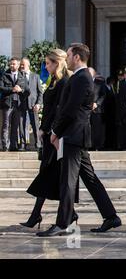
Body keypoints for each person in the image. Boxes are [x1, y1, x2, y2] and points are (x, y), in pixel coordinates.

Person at [37, 43, 121, 237]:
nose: (66, 59)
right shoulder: (80, 77)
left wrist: (55, 132)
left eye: (68, 55)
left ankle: (63, 223)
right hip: (76, 135)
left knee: (67, 181)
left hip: (73, 135)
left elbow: (70, 109)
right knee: (90, 179)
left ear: (76, 57)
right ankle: (111, 216)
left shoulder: (82, 78)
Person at [20, 49, 79, 229]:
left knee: (50, 174)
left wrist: (49, 130)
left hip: (56, 136)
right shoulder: (54, 80)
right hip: (49, 135)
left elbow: (60, 110)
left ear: (56, 63)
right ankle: (38, 214)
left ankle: (41, 215)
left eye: (48, 63)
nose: (46, 66)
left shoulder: (64, 82)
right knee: (48, 174)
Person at [0, 57, 29, 151]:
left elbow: (27, 91)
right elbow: (1, 88)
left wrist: (21, 90)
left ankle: (13, 145)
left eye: (14, 64)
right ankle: (5, 146)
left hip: (18, 104)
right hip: (7, 104)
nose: (12, 65)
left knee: (15, 126)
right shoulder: (4, 75)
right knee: (6, 125)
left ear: (18, 65)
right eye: (11, 64)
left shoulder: (22, 76)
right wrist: (12, 89)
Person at [18, 58, 43, 151]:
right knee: (22, 125)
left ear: (28, 65)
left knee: (35, 125)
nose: (21, 66)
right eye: (20, 65)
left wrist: (38, 104)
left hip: (33, 105)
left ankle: (38, 144)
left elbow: (40, 92)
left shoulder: (35, 76)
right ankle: (23, 145)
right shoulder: (19, 76)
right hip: (22, 104)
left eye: (23, 64)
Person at [88, 67, 107, 151]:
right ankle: (88, 145)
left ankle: (96, 146)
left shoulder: (100, 82)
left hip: (96, 110)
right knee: (87, 128)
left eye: (89, 72)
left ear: (94, 74)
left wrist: (97, 103)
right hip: (86, 110)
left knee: (96, 129)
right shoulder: (83, 81)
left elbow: (103, 95)